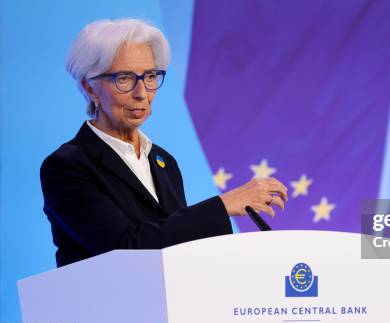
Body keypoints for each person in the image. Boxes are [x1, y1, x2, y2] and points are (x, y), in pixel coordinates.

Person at [40, 18, 287, 267]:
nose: (142, 93)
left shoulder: (163, 161)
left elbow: (179, 243)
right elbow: (123, 249)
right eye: (124, 78)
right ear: (90, 88)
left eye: (150, 76)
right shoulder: (66, 167)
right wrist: (223, 206)